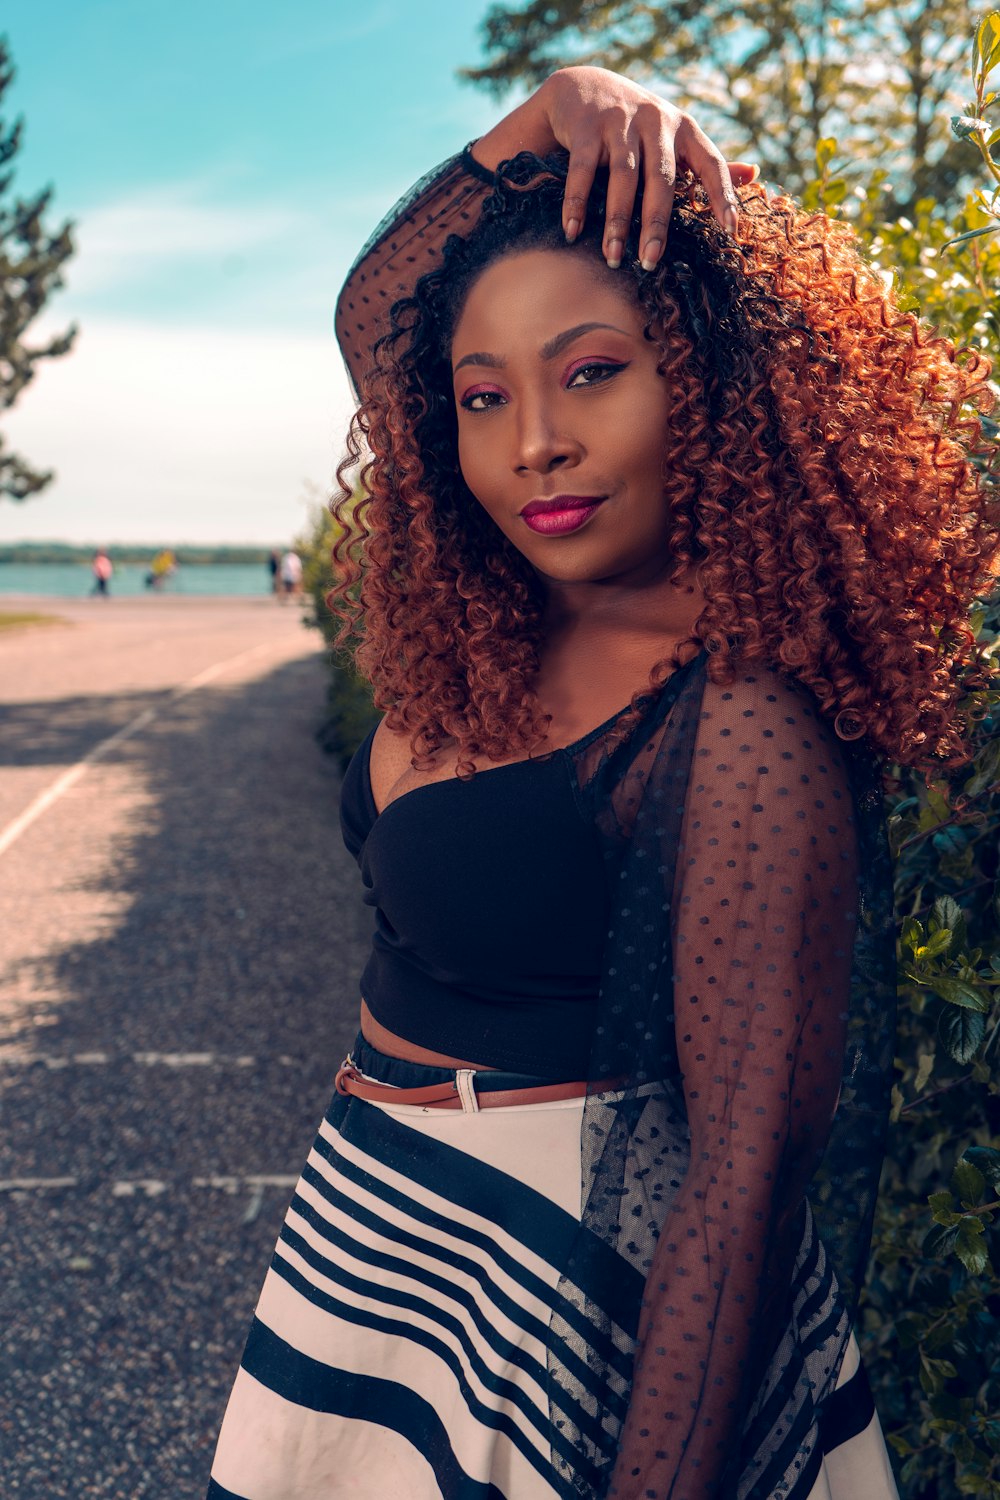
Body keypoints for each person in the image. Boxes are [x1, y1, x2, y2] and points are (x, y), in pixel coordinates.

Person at [206, 67, 1000, 1500]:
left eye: (591, 372)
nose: (535, 446)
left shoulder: (740, 717)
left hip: (581, 1327)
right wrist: (554, 107)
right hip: (384, 1246)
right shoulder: (501, 622)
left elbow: (738, 1193)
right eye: (483, 396)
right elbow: (381, 310)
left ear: (705, 379)